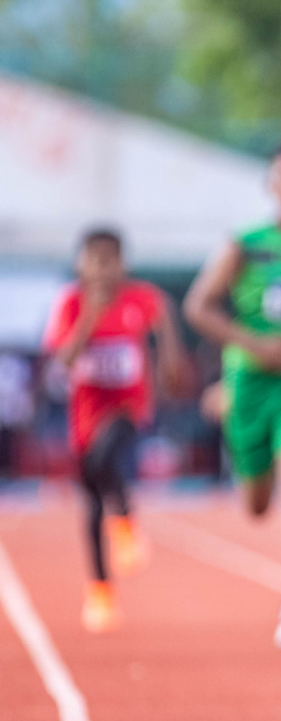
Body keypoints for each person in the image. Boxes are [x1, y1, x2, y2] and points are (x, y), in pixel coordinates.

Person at [185, 141, 281, 649]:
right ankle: (249, 460)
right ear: (272, 185)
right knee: (258, 502)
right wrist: (254, 345)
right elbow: (199, 306)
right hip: (249, 385)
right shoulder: (245, 244)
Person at [43, 229, 189, 632]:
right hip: (86, 411)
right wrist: (90, 316)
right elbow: (65, 360)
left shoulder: (140, 297)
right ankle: (100, 589)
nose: (104, 269)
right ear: (81, 265)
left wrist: (172, 356)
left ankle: (125, 520)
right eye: (96, 260)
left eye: (112, 260)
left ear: (123, 263)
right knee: (90, 501)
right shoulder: (72, 302)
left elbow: (164, 313)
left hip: (129, 405)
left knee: (108, 455)